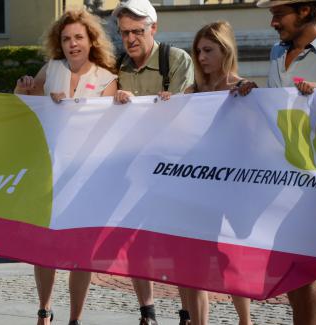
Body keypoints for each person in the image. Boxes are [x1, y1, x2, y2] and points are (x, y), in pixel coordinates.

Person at [14, 9, 117, 324]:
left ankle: (75, 317)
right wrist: (24, 87)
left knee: (80, 252)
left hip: (86, 177)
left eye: (78, 37)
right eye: (66, 39)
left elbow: (109, 128)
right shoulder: (52, 69)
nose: (73, 44)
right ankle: (44, 310)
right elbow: (25, 104)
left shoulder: (106, 78)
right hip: (50, 172)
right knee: (44, 247)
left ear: (91, 40)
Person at [234, 0, 316, 323]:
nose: (273, 23)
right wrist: (253, 94)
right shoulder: (275, 53)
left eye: (278, 15)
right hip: (285, 178)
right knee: (294, 267)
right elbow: (275, 107)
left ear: (305, 10)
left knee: (312, 266)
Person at [110, 0, 195, 324]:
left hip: (174, 165)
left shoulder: (174, 59)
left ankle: (186, 313)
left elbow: (185, 109)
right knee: (136, 244)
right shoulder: (118, 66)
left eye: (137, 32)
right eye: (124, 33)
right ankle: (147, 313)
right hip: (133, 168)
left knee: (178, 243)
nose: (130, 39)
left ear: (153, 29)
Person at [178, 21, 253, 325]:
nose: (201, 56)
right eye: (198, 51)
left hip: (230, 190)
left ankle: (246, 321)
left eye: (208, 50)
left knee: (231, 261)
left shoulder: (243, 88)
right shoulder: (190, 91)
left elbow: (253, 141)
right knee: (190, 262)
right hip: (195, 189)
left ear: (225, 50)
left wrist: (251, 100)